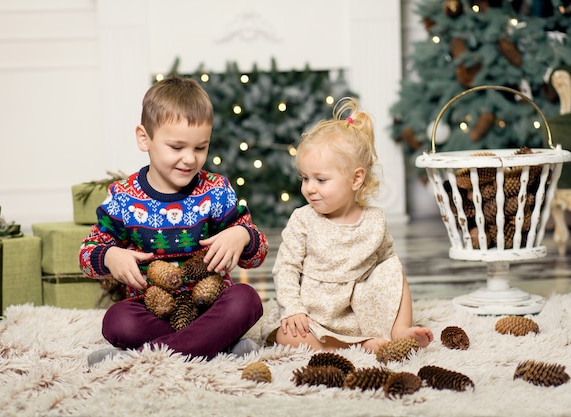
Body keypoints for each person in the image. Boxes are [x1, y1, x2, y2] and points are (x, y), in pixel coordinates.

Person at [80, 75, 268, 365]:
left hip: (211, 305)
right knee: (117, 321)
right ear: (145, 138)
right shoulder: (122, 196)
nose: (190, 159)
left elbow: (256, 256)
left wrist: (242, 236)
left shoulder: (216, 190)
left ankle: (144, 359)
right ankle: (218, 347)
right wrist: (110, 256)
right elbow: (87, 254)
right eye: (177, 148)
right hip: (155, 309)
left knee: (248, 300)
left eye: (200, 148)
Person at [265, 97, 433, 353]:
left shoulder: (374, 220)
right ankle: (347, 347)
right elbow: (286, 268)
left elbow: (386, 261)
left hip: (360, 310)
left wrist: (387, 290)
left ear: (356, 179)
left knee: (394, 271)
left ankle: (399, 331)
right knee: (286, 337)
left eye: (321, 180)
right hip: (315, 314)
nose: (309, 188)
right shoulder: (304, 219)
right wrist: (293, 309)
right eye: (305, 178)